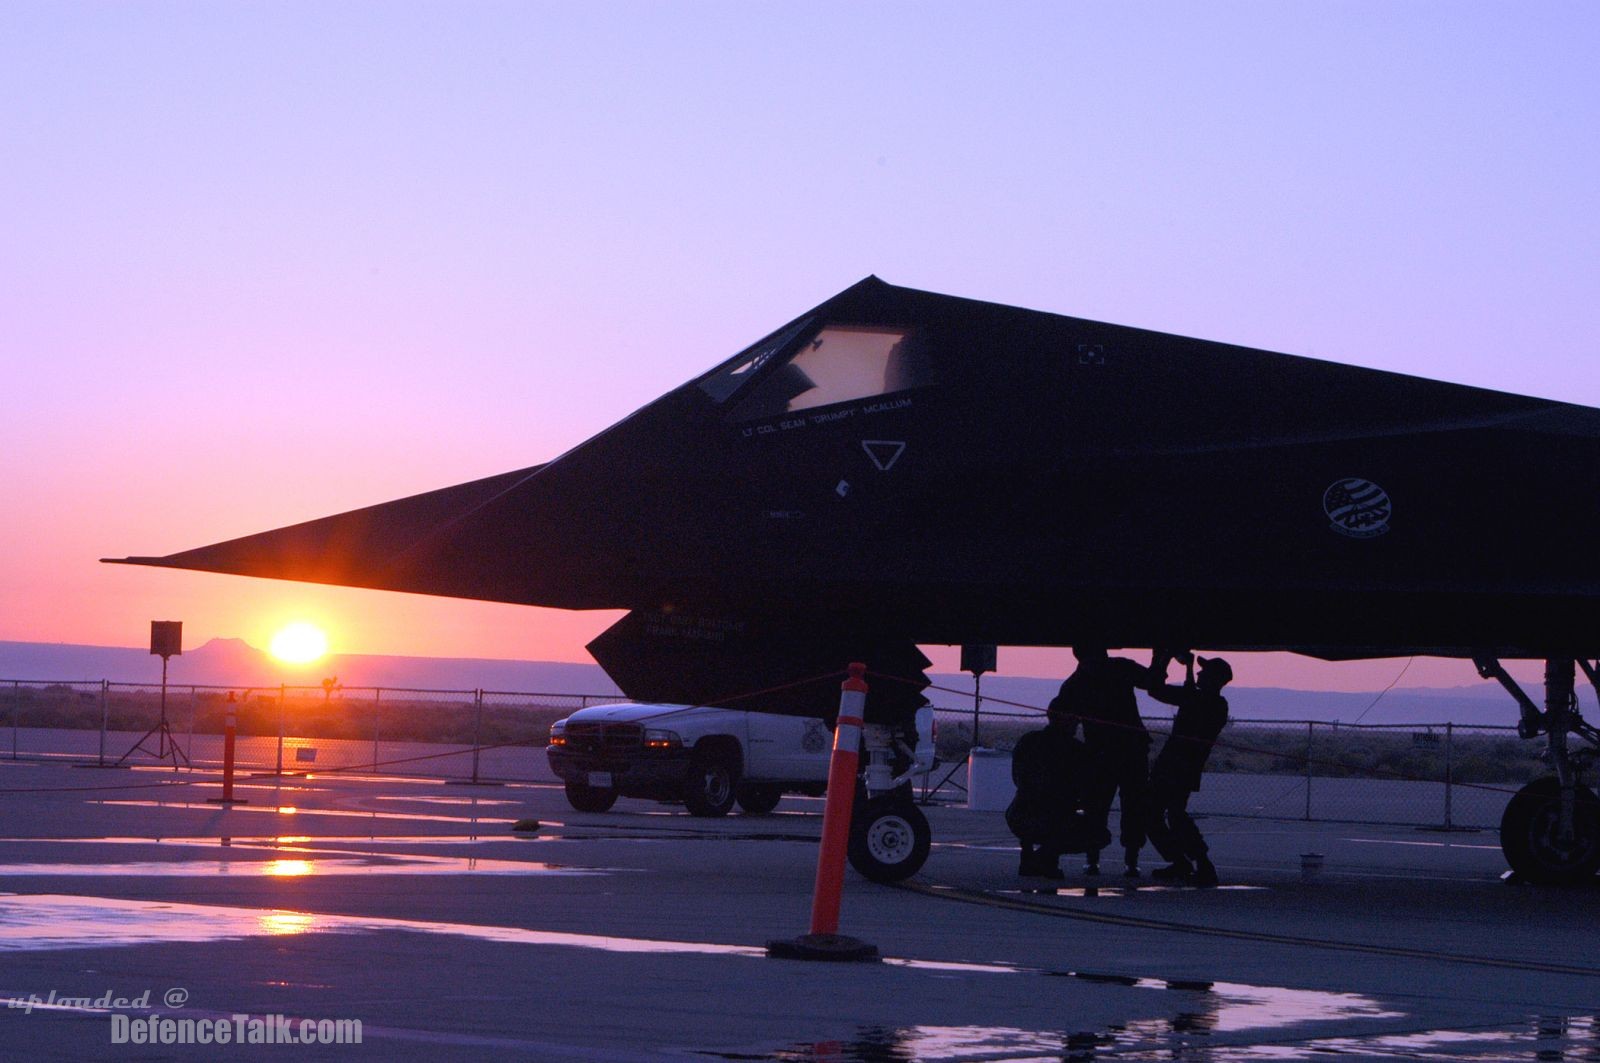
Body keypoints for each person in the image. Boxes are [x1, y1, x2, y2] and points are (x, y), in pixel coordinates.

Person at [1050, 644, 1156, 877]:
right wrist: (1161, 658)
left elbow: (1057, 716)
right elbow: (1151, 680)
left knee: (1104, 806)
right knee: (1114, 805)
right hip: (1121, 751)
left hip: (1106, 753)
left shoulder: (1075, 683)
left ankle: (1104, 858)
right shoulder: (1116, 668)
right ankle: (1121, 859)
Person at [1144, 653, 1232, 887]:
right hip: (1185, 769)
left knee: (1159, 815)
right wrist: (1189, 670)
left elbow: (1156, 690)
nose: (1200, 674)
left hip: (1175, 767)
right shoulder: (1217, 705)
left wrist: (1164, 660)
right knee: (1172, 815)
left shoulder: (1202, 701)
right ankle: (1188, 862)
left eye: (1205, 672)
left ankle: (1194, 862)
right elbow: (1191, 695)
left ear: (1213, 679)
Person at [1005, 704, 1110, 878]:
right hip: (1051, 818)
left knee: (1053, 819)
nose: (1077, 724)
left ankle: (1031, 857)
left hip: (1018, 815)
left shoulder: (1029, 740)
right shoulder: (1076, 750)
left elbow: (1017, 777)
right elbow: (1087, 789)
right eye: (1075, 720)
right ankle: (1044, 858)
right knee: (1099, 835)